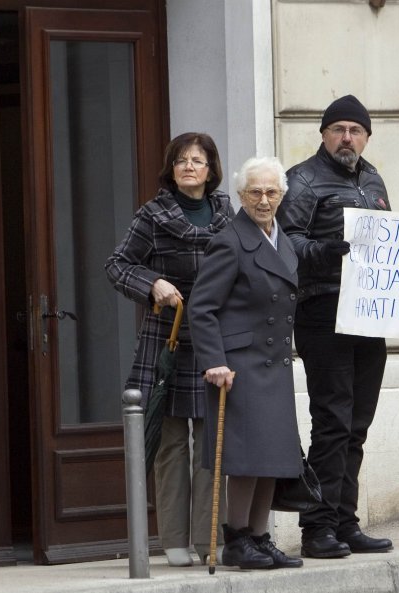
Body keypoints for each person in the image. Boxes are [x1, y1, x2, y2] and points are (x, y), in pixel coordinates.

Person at [276, 95, 399, 559]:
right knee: (331, 422)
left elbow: (393, 239)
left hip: (371, 315)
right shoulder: (302, 181)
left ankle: (344, 522)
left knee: (356, 424)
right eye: (338, 130)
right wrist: (325, 250)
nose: (347, 138)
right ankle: (316, 530)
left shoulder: (372, 179)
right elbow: (286, 242)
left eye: (356, 130)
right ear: (323, 135)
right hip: (323, 314)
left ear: (368, 136)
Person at [105, 132, 234, 566]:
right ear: (171, 168)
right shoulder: (153, 215)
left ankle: (207, 538)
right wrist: (151, 284)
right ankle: (174, 541)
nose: (189, 166)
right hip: (169, 339)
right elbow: (118, 264)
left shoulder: (228, 214)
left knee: (213, 441)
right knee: (172, 443)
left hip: (215, 339)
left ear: (211, 169)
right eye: (181, 160)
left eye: (198, 160)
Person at [188, 156, 304, 570]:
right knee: (247, 458)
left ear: (281, 196)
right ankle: (236, 540)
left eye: (272, 192)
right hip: (238, 367)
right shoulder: (230, 240)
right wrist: (214, 362)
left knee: (272, 456)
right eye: (255, 191)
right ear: (240, 196)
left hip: (273, 363)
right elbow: (201, 308)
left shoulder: (283, 240)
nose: (264, 199)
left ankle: (259, 538)